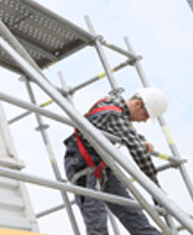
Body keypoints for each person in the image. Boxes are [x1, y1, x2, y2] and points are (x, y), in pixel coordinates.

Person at [63, 87, 169, 235]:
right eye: (145, 115)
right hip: (82, 164)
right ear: (137, 104)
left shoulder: (113, 107)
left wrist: (139, 140)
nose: (144, 121)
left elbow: (123, 131)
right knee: (96, 218)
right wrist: (156, 191)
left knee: (130, 210)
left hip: (101, 163)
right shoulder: (114, 114)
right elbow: (140, 155)